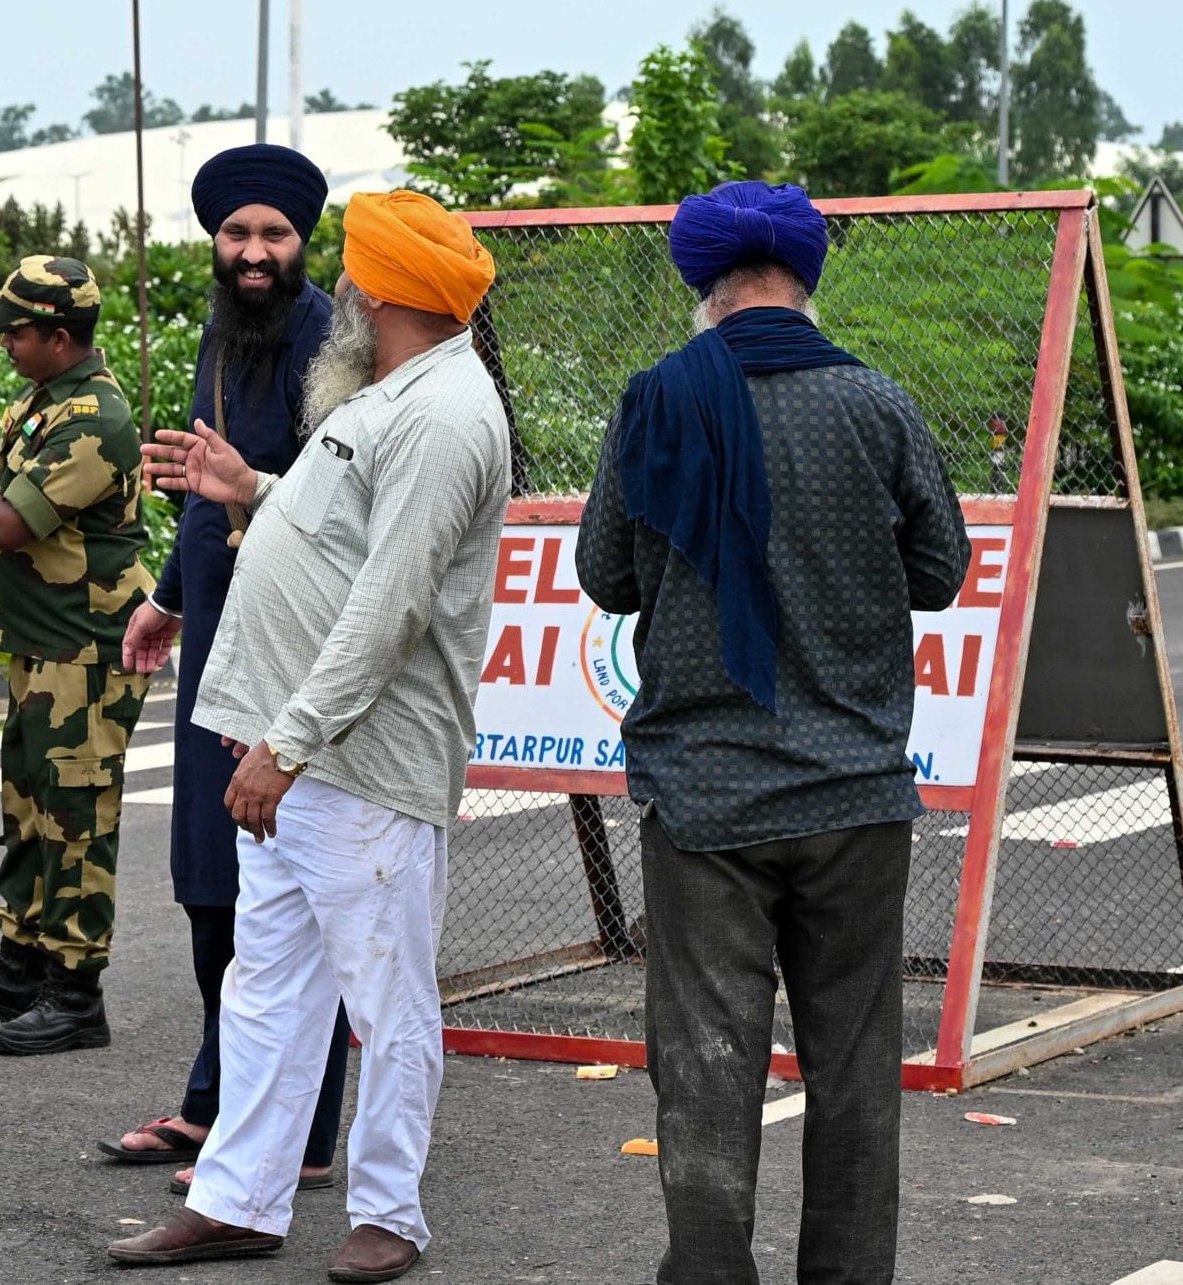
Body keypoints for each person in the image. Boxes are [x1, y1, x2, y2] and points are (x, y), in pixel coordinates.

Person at [109, 190, 507, 1282]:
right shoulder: (392, 395)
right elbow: (346, 534)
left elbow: (392, 602)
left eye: (355, 276)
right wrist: (254, 488)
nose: (343, 294)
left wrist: (286, 745)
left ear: (383, 294)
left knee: (386, 999)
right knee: (268, 989)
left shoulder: (441, 415)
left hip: (356, 762)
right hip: (298, 754)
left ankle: (390, 1214)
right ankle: (239, 1199)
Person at [575, 181, 968, 1285]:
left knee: (705, 1070)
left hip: (705, 799)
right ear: (804, 280)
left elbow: (605, 576)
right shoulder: (876, 403)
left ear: (703, 286)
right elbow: (940, 571)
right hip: (853, 793)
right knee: (855, 1069)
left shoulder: (657, 402)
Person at [104, 145, 354, 1194]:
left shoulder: (333, 345)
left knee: (289, 897)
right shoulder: (221, 329)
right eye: (236, 234)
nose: (253, 253)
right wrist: (168, 597)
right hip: (217, 636)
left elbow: (344, 504)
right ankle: (219, 1102)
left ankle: (296, 1133)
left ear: (304, 242)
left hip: (297, 645)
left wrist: (249, 484)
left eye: (273, 235)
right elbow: (207, 495)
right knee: (213, 889)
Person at [0, 256, 153, 1056]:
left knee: (76, 816)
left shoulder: (96, 418)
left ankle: (76, 993)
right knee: (27, 808)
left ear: (58, 335)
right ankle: (21, 964)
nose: (4, 342)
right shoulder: (44, 400)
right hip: (41, 641)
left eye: (14, 331)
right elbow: (7, 476)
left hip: (84, 646)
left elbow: (9, 523)